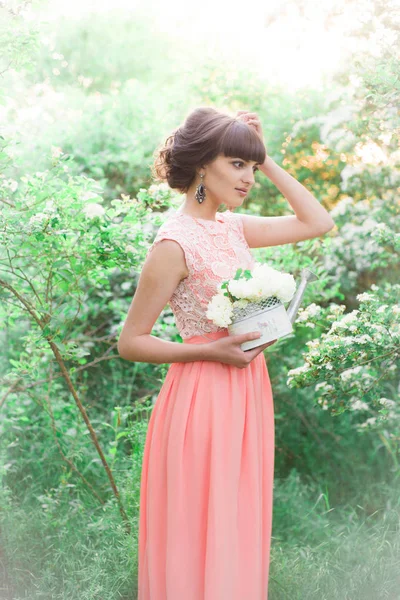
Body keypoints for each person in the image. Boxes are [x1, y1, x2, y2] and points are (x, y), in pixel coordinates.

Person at [117, 106, 335, 599]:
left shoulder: (233, 228)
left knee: (235, 519)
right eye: (237, 164)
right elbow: (131, 341)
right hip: (201, 394)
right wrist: (211, 353)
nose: (248, 179)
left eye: (251, 169)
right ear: (201, 165)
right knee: (198, 520)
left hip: (247, 391)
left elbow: (317, 221)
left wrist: (267, 156)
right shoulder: (173, 243)